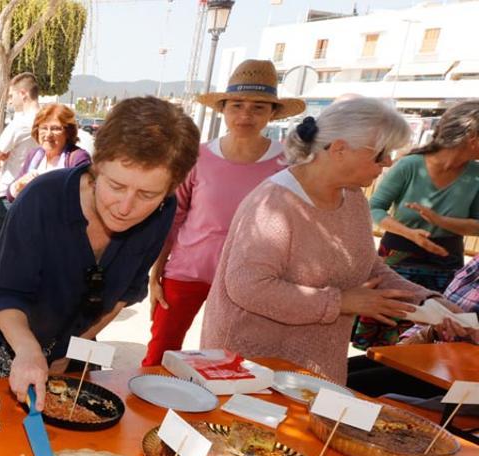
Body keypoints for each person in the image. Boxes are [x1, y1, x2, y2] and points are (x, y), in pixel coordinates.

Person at [0, 97, 200, 410]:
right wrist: (30, 350)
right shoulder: (42, 199)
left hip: (72, 338)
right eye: (115, 185)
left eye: (147, 194)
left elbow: (125, 294)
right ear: (96, 166)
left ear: (169, 191)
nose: (126, 207)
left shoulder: (162, 211)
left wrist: (75, 346)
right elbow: (4, 292)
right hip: (8, 334)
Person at [201, 98, 452, 384]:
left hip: (314, 367)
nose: (388, 162)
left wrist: (432, 303)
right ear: (340, 149)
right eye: (380, 153)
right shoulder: (274, 202)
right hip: (255, 367)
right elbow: (248, 287)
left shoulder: (353, 197)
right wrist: (340, 302)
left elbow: (369, 267)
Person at [142, 59, 303, 366]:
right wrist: (156, 273)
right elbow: (174, 219)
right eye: (237, 105)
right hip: (187, 272)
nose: (245, 115)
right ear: (224, 109)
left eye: (258, 107)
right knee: (158, 355)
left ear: (272, 113)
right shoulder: (197, 157)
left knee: (233, 364)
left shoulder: (288, 163)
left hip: (250, 280)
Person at [353, 101, 479, 348]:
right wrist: (410, 234)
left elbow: (477, 225)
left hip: (446, 263)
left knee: (435, 338)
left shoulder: (475, 175)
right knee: (382, 339)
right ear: (472, 138)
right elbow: (374, 207)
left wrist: (440, 221)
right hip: (399, 257)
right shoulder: (410, 165)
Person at [347, 256, 479, 398]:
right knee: (336, 375)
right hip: (432, 357)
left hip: (462, 384)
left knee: (345, 387)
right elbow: (442, 312)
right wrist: (413, 339)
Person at [0, 72, 41, 250]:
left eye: (11, 95)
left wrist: (2, 154)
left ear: (23, 93)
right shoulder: (47, 121)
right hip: (33, 197)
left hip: (6, 196)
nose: (10, 101)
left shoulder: (20, 123)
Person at [7, 103, 91, 199]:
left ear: (68, 132)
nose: (48, 134)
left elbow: (84, 197)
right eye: (44, 128)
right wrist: (19, 185)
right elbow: (10, 195)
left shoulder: (78, 158)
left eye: (55, 128)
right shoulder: (34, 155)